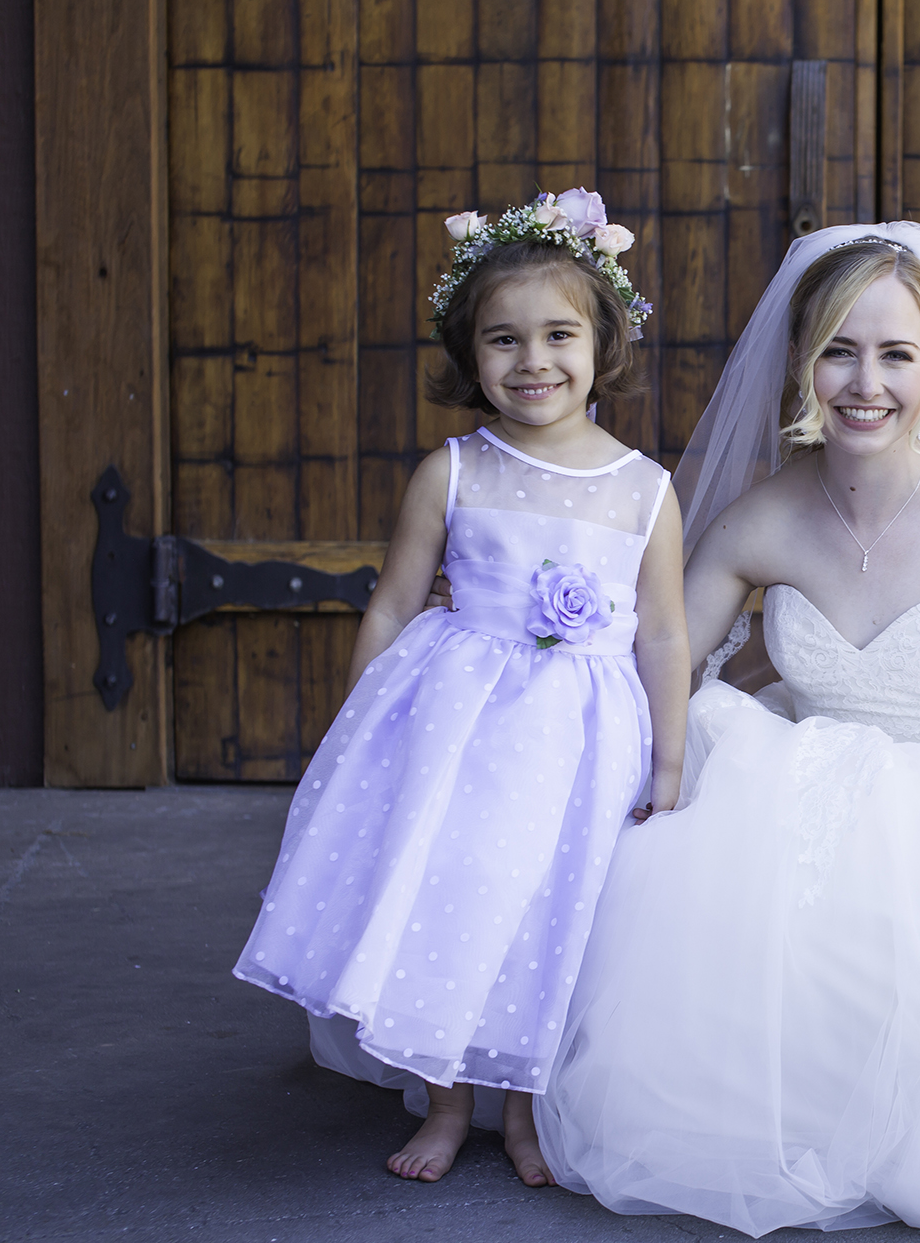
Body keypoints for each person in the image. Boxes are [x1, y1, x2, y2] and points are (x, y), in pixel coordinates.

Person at [533, 225, 920, 1236]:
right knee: (699, 901)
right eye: (838, 349)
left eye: (895, 354)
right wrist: (514, 623)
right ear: (800, 363)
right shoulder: (760, 518)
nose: (864, 381)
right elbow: (660, 659)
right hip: (787, 780)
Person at [232, 190, 688, 1187]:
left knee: (550, 911)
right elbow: (394, 605)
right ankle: (445, 1101)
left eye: (559, 335)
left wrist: (667, 753)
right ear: (468, 354)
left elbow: (661, 630)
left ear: (602, 342)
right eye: (503, 340)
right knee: (457, 896)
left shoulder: (643, 487)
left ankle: (523, 1114)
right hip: (459, 731)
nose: (533, 362)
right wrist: (364, 723)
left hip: (582, 742)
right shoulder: (451, 473)